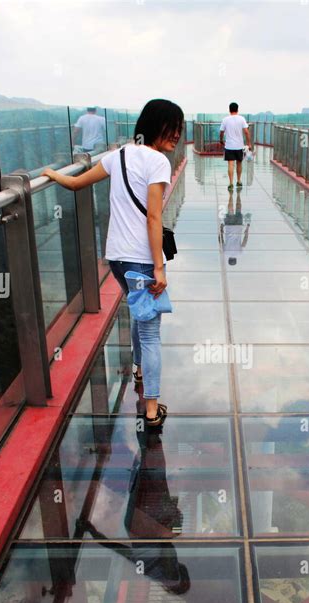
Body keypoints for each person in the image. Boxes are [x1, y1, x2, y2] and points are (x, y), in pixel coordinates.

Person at [42, 98, 184, 427]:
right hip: (142, 260)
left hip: (117, 258)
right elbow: (153, 216)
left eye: (179, 129)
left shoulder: (117, 155)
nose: (176, 135)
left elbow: (77, 183)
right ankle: (151, 409)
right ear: (153, 125)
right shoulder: (158, 162)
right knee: (151, 334)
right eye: (171, 127)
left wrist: (51, 173)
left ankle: (137, 369)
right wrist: (158, 267)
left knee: (139, 310)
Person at [219, 102, 252, 191]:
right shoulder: (241, 119)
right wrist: (249, 144)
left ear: (229, 110)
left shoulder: (225, 119)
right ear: (237, 109)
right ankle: (239, 180)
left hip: (229, 146)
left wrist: (221, 140)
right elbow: (246, 132)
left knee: (230, 164)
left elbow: (221, 132)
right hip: (239, 146)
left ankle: (230, 183)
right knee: (239, 163)